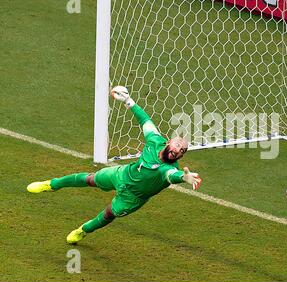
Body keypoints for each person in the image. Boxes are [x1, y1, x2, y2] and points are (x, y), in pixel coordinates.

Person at [27, 86, 202, 244]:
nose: (178, 151)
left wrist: (184, 178)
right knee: (90, 179)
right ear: (169, 142)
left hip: (132, 198)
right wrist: (128, 101)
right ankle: (51, 184)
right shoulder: (155, 140)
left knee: (109, 214)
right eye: (178, 145)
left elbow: (172, 176)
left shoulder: (170, 169)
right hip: (122, 174)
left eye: (182, 151)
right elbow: (145, 120)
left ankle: (83, 230)